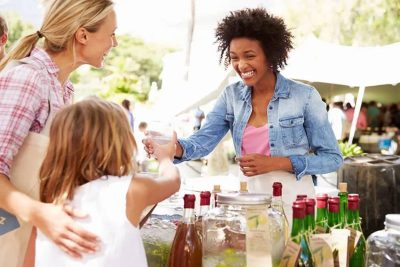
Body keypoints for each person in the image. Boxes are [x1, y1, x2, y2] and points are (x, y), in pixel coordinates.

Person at [144, 7, 343, 221]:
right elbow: (203, 142)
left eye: (249, 56)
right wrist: (174, 148)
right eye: (234, 57)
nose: (241, 65)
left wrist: (277, 163)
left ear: (270, 55)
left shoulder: (304, 96)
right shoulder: (231, 97)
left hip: (295, 203)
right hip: (248, 202)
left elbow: (332, 159)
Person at [0, 1, 118, 266]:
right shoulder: (29, 79)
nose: (115, 43)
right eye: (111, 34)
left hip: (32, 240)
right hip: (8, 239)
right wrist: (39, 213)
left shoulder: (64, 89)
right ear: (83, 35)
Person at [22, 99, 180, 267]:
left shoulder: (48, 211)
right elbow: (173, 181)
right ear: (120, 144)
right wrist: (165, 158)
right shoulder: (130, 190)